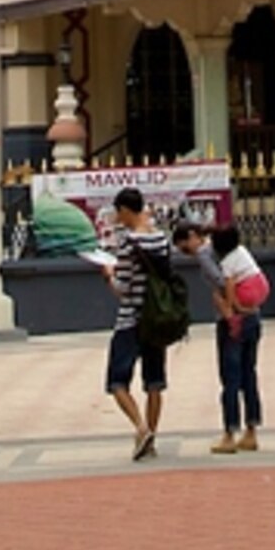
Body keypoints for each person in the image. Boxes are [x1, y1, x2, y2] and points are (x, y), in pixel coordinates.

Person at [95, 188, 177, 459]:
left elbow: (124, 287)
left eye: (119, 212)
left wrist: (109, 275)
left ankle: (141, 428)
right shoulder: (161, 239)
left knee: (117, 381)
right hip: (156, 318)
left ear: (126, 210)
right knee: (154, 382)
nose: (118, 217)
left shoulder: (128, 243)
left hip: (130, 319)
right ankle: (151, 438)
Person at [206, 224, 266, 455]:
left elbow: (228, 285)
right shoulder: (244, 253)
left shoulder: (227, 262)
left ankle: (229, 433)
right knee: (249, 373)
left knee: (230, 378)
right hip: (254, 318)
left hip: (237, 322)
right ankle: (251, 431)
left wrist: (231, 309)